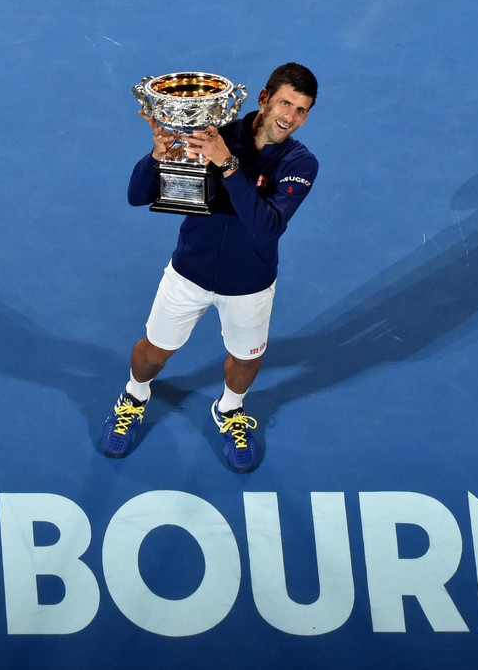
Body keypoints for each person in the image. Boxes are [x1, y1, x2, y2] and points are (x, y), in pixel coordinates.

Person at [102, 62, 319, 473]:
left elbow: (266, 228)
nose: (290, 117)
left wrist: (228, 165)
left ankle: (230, 409)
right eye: (285, 103)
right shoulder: (213, 133)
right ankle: (134, 396)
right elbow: (137, 195)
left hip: (250, 284)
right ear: (264, 99)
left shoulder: (301, 163)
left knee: (245, 359)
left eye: (302, 110)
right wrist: (158, 155)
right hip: (190, 273)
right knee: (152, 354)